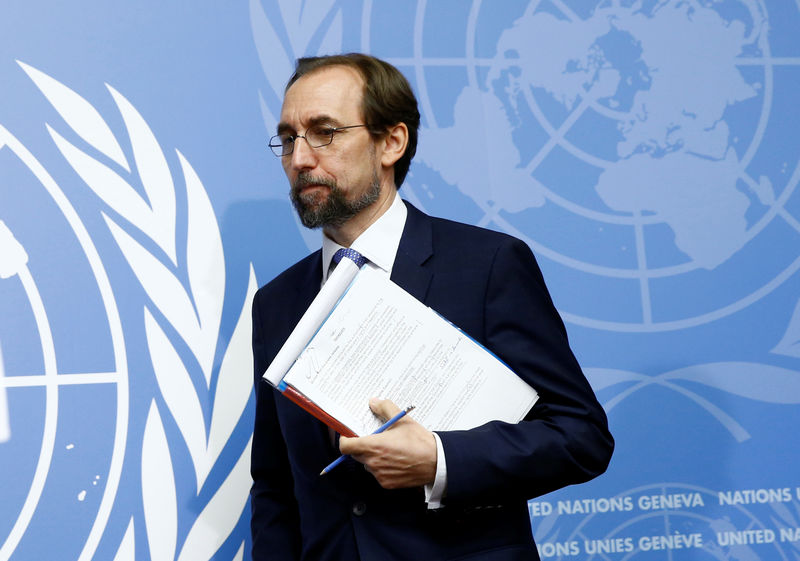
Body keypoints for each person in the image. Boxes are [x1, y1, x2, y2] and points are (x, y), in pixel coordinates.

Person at [250, 53, 613, 561]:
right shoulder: (277, 302)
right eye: (288, 138)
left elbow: (580, 436)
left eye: (325, 132)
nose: (301, 158)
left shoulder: (487, 266)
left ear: (391, 142)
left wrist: (440, 461)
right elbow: (275, 484)